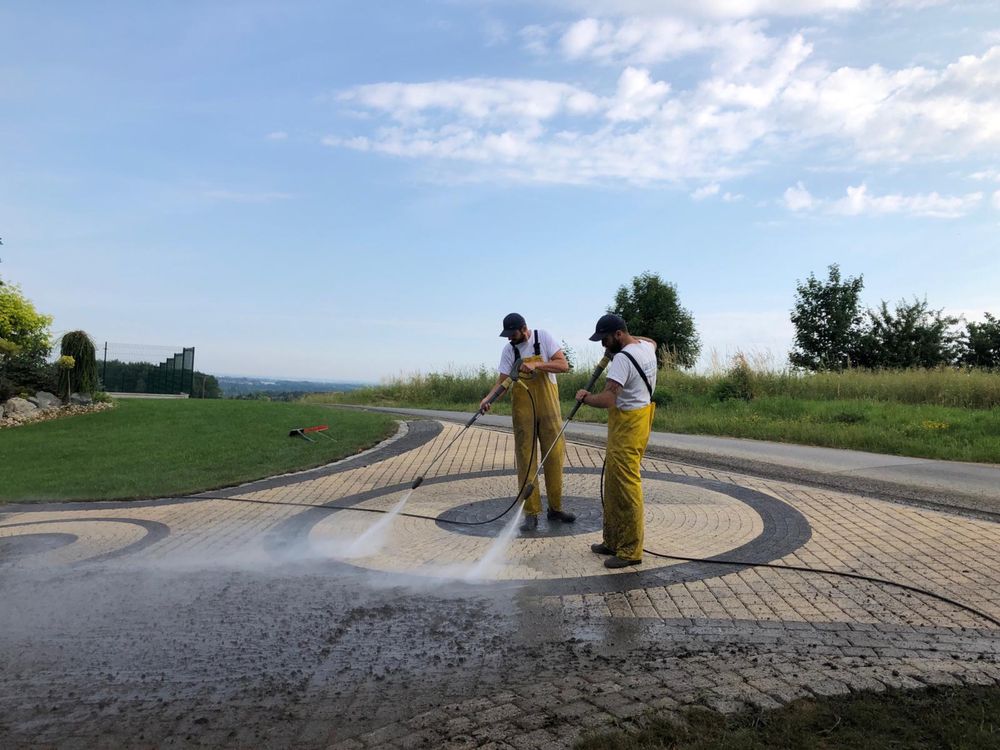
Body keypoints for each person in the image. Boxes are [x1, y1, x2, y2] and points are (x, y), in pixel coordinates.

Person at [480, 313, 575, 532]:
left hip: (549, 410)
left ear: (524, 329)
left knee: (554, 456)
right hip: (523, 413)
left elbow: (563, 365)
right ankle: (531, 513)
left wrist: (538, 365)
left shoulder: (544, 338)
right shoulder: (509, 351)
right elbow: (502, 382)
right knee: (526, 459)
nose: (509, 339)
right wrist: (488, 399)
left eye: (512, 334)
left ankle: (556, 508)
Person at [576, 314, 657, 568]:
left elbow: (608, 400)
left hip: (627, 427)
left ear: (619, 335)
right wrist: (626, 340)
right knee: (612, 484)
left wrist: (585, 397)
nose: (603, 345)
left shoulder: (622, 360)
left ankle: (631, 551)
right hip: (640, 420)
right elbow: (651, 340)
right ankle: (612, 541)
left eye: (606, 339)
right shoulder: (645, 348)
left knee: (626, 487)